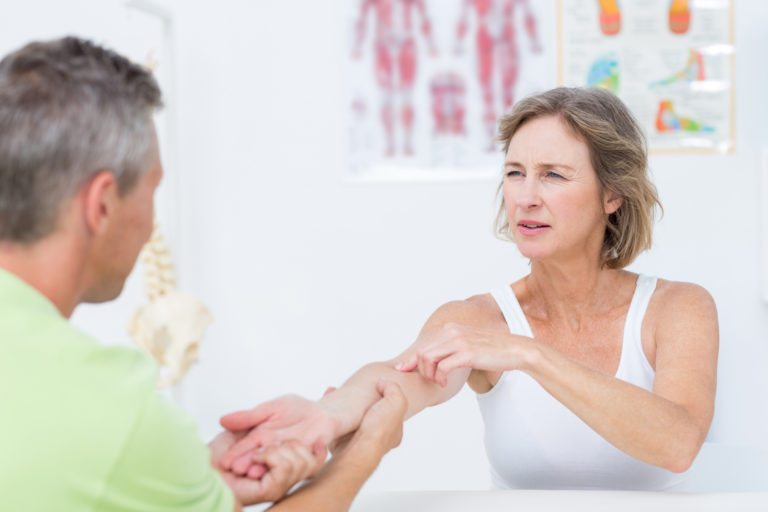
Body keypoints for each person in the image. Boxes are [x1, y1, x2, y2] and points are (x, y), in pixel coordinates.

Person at [219, 87, 719, 490]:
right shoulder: (481, 321)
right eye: (515, 173)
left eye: (553, 176)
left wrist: (531, 355)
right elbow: (397, 379)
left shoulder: (678, 308)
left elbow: (677, 444)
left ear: (612, 194)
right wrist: (324, 416)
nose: (526, 197)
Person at [0, 36, 406, 511]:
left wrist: (186, 480)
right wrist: (365, 449)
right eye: (152, 191)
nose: (152, 223)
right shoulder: (107, 404)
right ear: (103, 204)